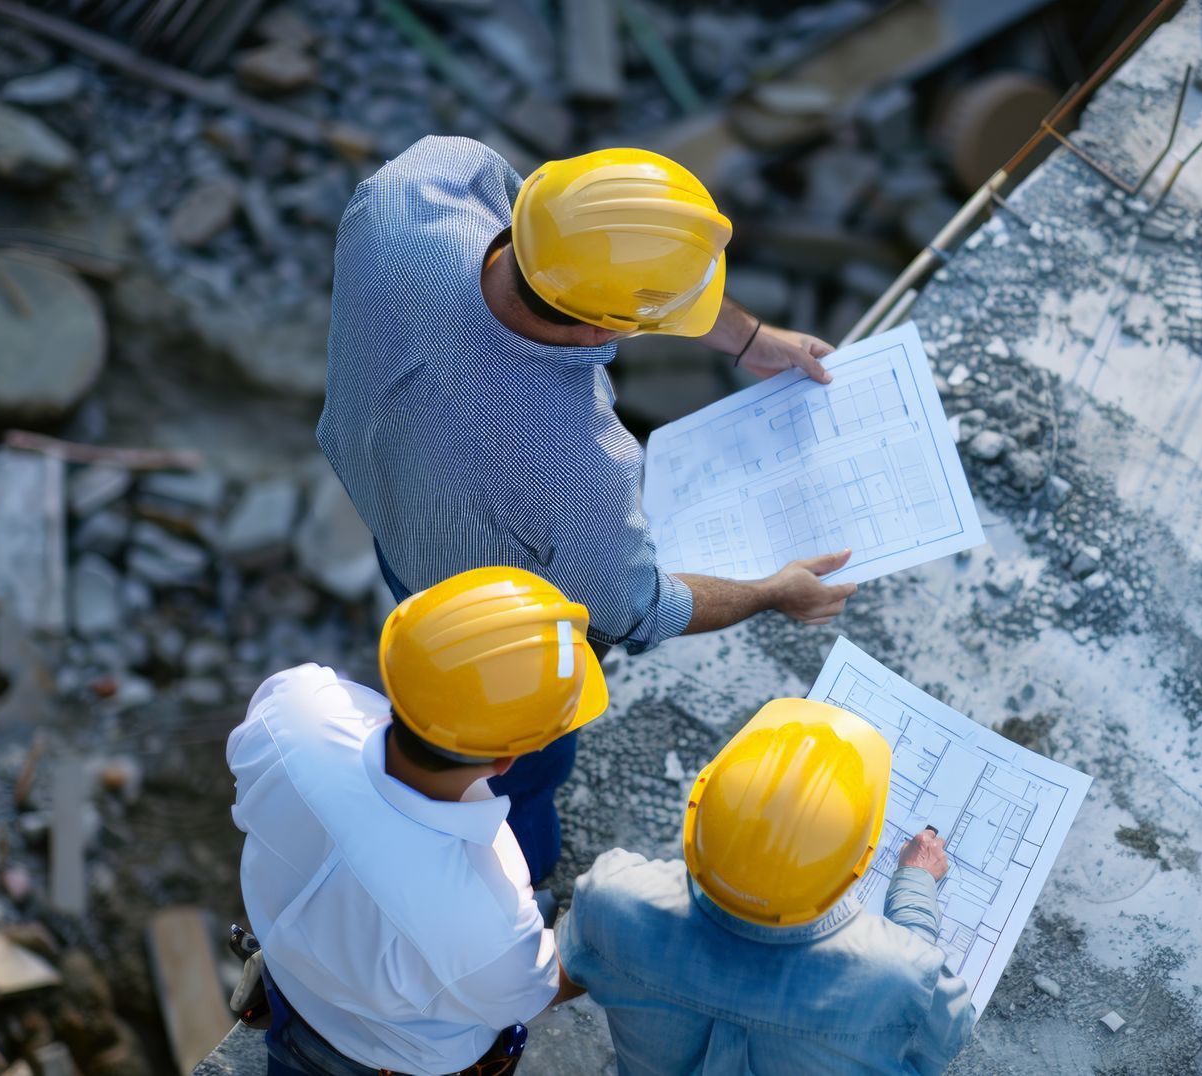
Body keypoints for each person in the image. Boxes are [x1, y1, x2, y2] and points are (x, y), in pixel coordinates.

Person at [318, 138, 859, 884]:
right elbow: (639, 608)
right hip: (500, 637)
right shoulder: (574, 467)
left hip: (397, 514)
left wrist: (751, 340)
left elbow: (561, 251)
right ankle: (516, 876)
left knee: (427, 672)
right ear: (607, 329)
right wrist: (775, 590)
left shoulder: (414, 190)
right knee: (519, 770)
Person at [227, 567, 605, 1075]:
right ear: (508, 759)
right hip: (384, 1057)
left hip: (293, 981)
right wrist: (619, 938)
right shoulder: (483, 906)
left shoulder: (298, 710)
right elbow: (531, 990)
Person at [559, 698, 977, 1074]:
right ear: (861, 860)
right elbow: (941, 1040)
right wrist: (915, 886)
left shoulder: (613, 898)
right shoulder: (901, 976)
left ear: (701, 808)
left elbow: (567, 964)